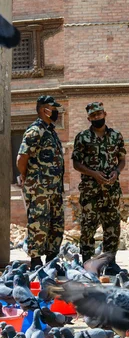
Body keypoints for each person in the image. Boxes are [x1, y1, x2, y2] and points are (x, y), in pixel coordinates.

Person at [72, 101, 126, 275]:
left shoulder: (116, 136)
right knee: (88, 227)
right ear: (89, 118)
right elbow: (76, 163)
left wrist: (117, 172)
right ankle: (88, 263)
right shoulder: (82, 137)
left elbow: (122, 159)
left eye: (99, 114)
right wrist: (93, 174)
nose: (97, 118)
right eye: (93, 116)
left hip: (111, 190)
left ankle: (110, 263)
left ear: (105, 114)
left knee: (112, 227)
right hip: (90, 191)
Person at [16, 95, 65, 270]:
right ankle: (36, 261)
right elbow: (21, 158)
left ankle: (52, 261)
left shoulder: (51, 132)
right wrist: (26, 176)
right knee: (39, 222)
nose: (56, 112)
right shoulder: (35, 131)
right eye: (53, 108)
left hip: (55, 188)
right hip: (39, 188)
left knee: (56, 223)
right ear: (44, 110)